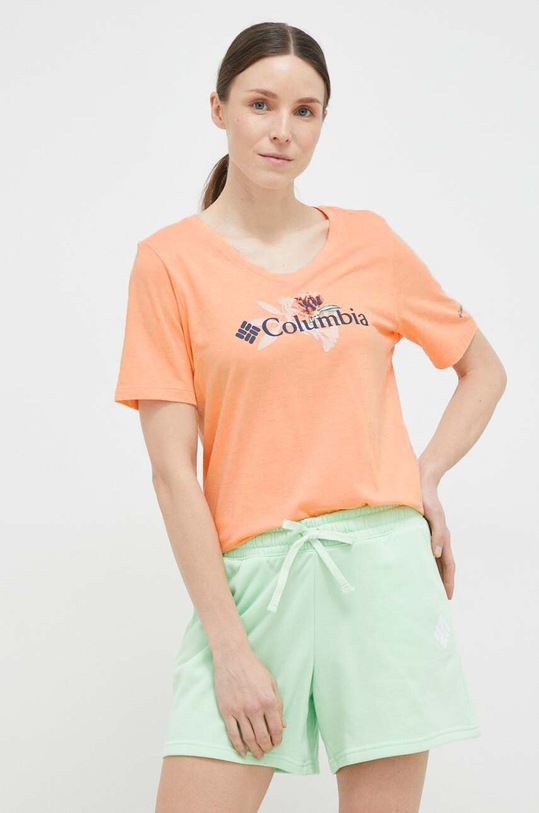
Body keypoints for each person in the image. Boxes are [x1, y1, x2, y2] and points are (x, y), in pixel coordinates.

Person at [114, 20, 507, 813]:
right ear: (219, 108)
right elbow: (171, 472)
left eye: (305, 111)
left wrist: (423, 476)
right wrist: (228, 645)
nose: (282, 130)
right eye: (260, 104)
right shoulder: (169, 263)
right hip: (256, 582)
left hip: (383, 572)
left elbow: (482, 371)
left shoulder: (369, 242)